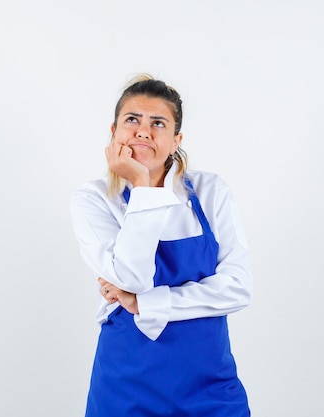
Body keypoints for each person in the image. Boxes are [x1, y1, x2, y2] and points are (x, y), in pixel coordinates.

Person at [70, 74, 253, 417]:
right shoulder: (94, 199)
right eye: (132, 120)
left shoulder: (210, 191)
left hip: (211, 388)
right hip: (126, 388)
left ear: (175, 141)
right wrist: (142, 185)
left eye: (158, 123)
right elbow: (131, 277)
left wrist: (147, 303)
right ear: (113, 133)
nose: (143, 131)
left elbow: (239, 289)